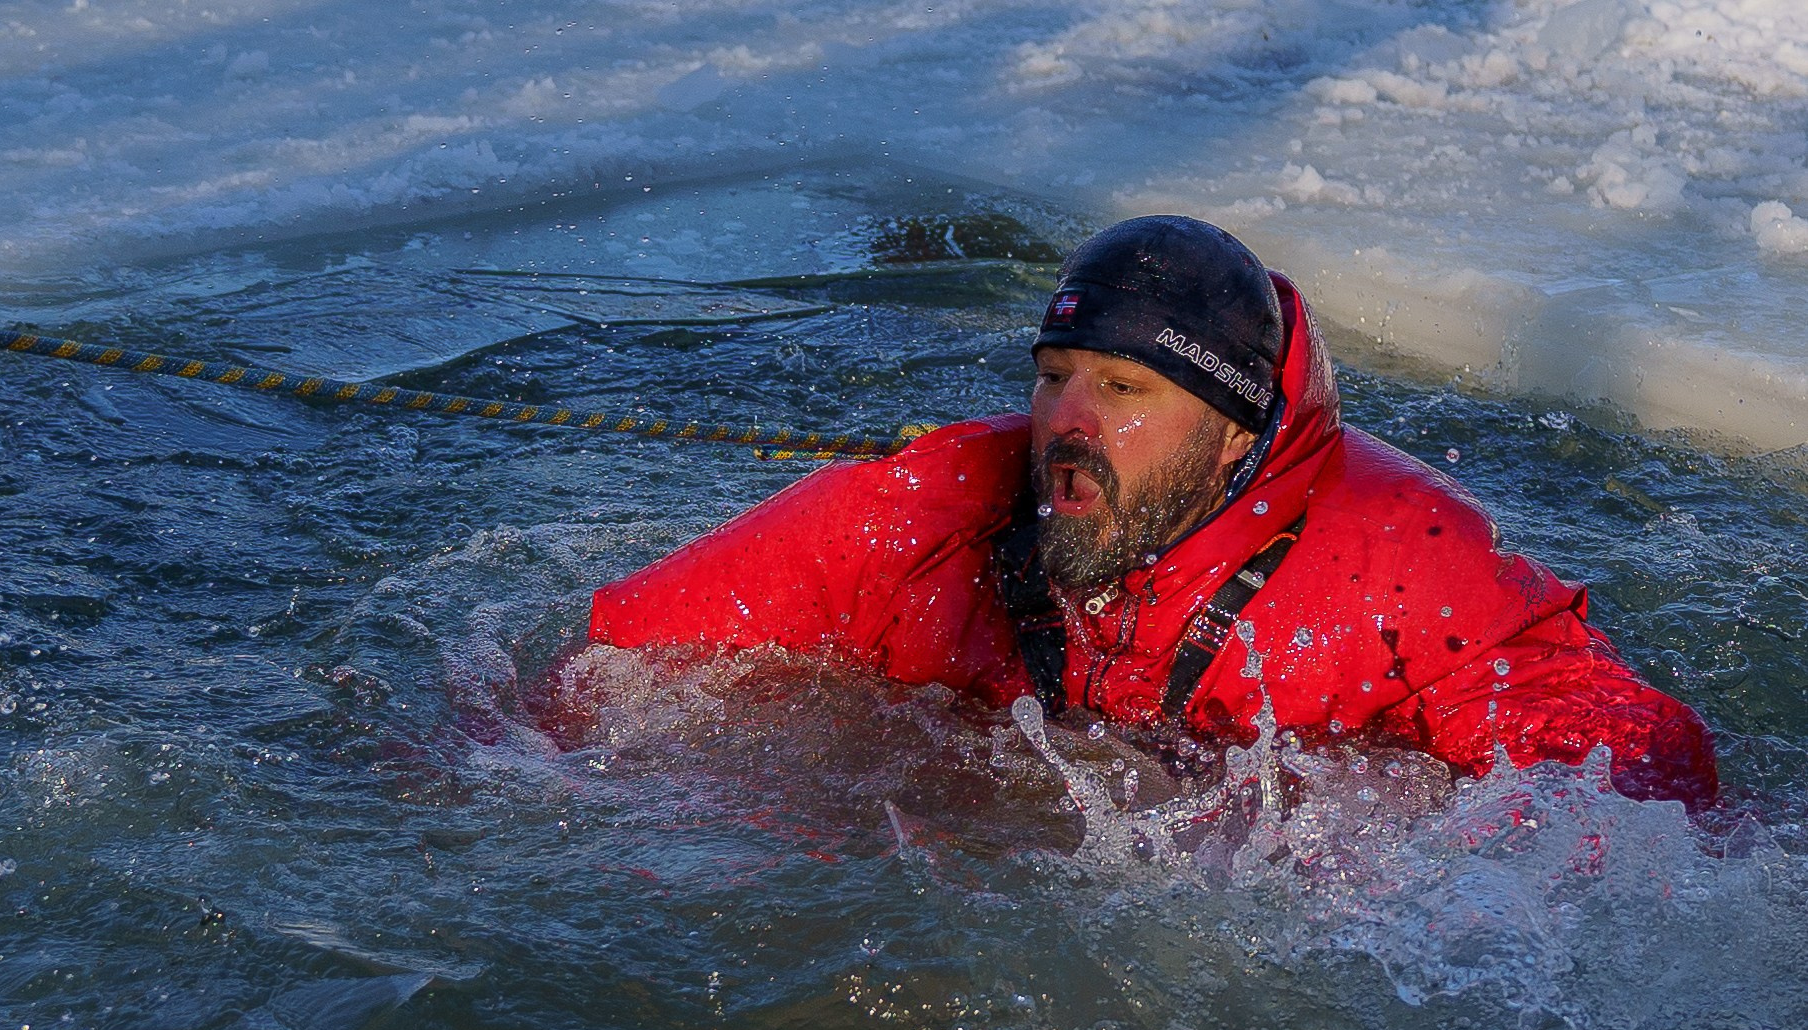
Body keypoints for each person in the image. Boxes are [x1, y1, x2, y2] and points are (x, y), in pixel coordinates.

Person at [586, 216, 1718, 806]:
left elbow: (1640, 779)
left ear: (1234, 432)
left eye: (1124, 390)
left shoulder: (1403, 563)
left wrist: (1303, 816)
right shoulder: (926, 508)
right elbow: (608, 670)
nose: (1066, 421)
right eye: (1053, 374)